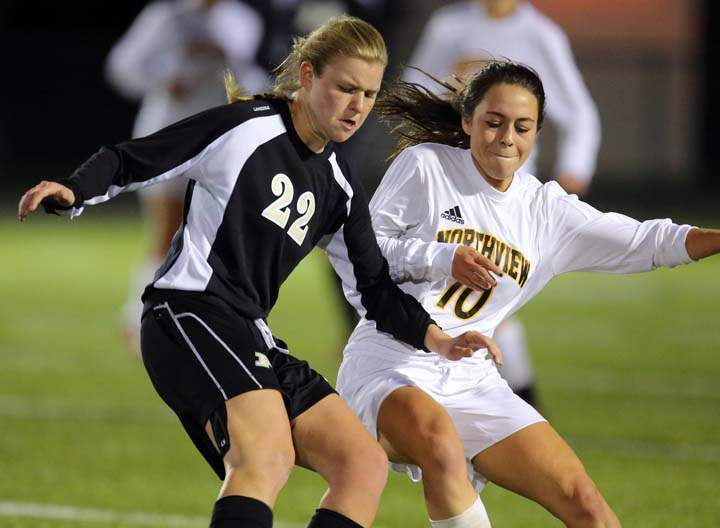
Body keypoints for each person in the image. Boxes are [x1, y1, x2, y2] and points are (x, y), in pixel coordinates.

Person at [17, 16, 499, 528]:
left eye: (369, 94)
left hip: (250, 331)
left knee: (361, 464)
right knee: (265, 458)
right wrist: (75, 190)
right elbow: (136, 158)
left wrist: (440, 340)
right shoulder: (245, 127)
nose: (357, 106)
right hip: (188, 313)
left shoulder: (339, 185)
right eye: (345, 88)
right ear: (308, 76)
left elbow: (374, 288)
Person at [333, 61, 720, 527]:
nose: (507, 137)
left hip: (471, 377)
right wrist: (441, 257)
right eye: (493, 122)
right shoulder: (426, 165)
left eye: (522, 127)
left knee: (587, 505)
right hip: (392, 362)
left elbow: (645, 240)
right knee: (439, 446)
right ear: (467, 122)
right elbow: (360, 249)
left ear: (536, 133)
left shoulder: (546, 211)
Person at [404, 0, 602, 406]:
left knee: (483, 299)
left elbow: (579, 113)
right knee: (465, 302)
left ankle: (515, 413)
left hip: (509, 193)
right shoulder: (449, 26)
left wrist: (570, 178)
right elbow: (413, 86)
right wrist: (455, 86)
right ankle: (514, 412)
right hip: (450, 184)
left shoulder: (540, 34)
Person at [105, 0, 270, 354]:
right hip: (167, 132)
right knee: (166, 230)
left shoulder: (240, 20)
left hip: (218, 142)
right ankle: (137, 320)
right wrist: (167, 78)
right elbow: (123, 67)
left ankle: (183, 320)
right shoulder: (166, 17)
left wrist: (227, 60)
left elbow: (254, 79)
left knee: (204, 239)